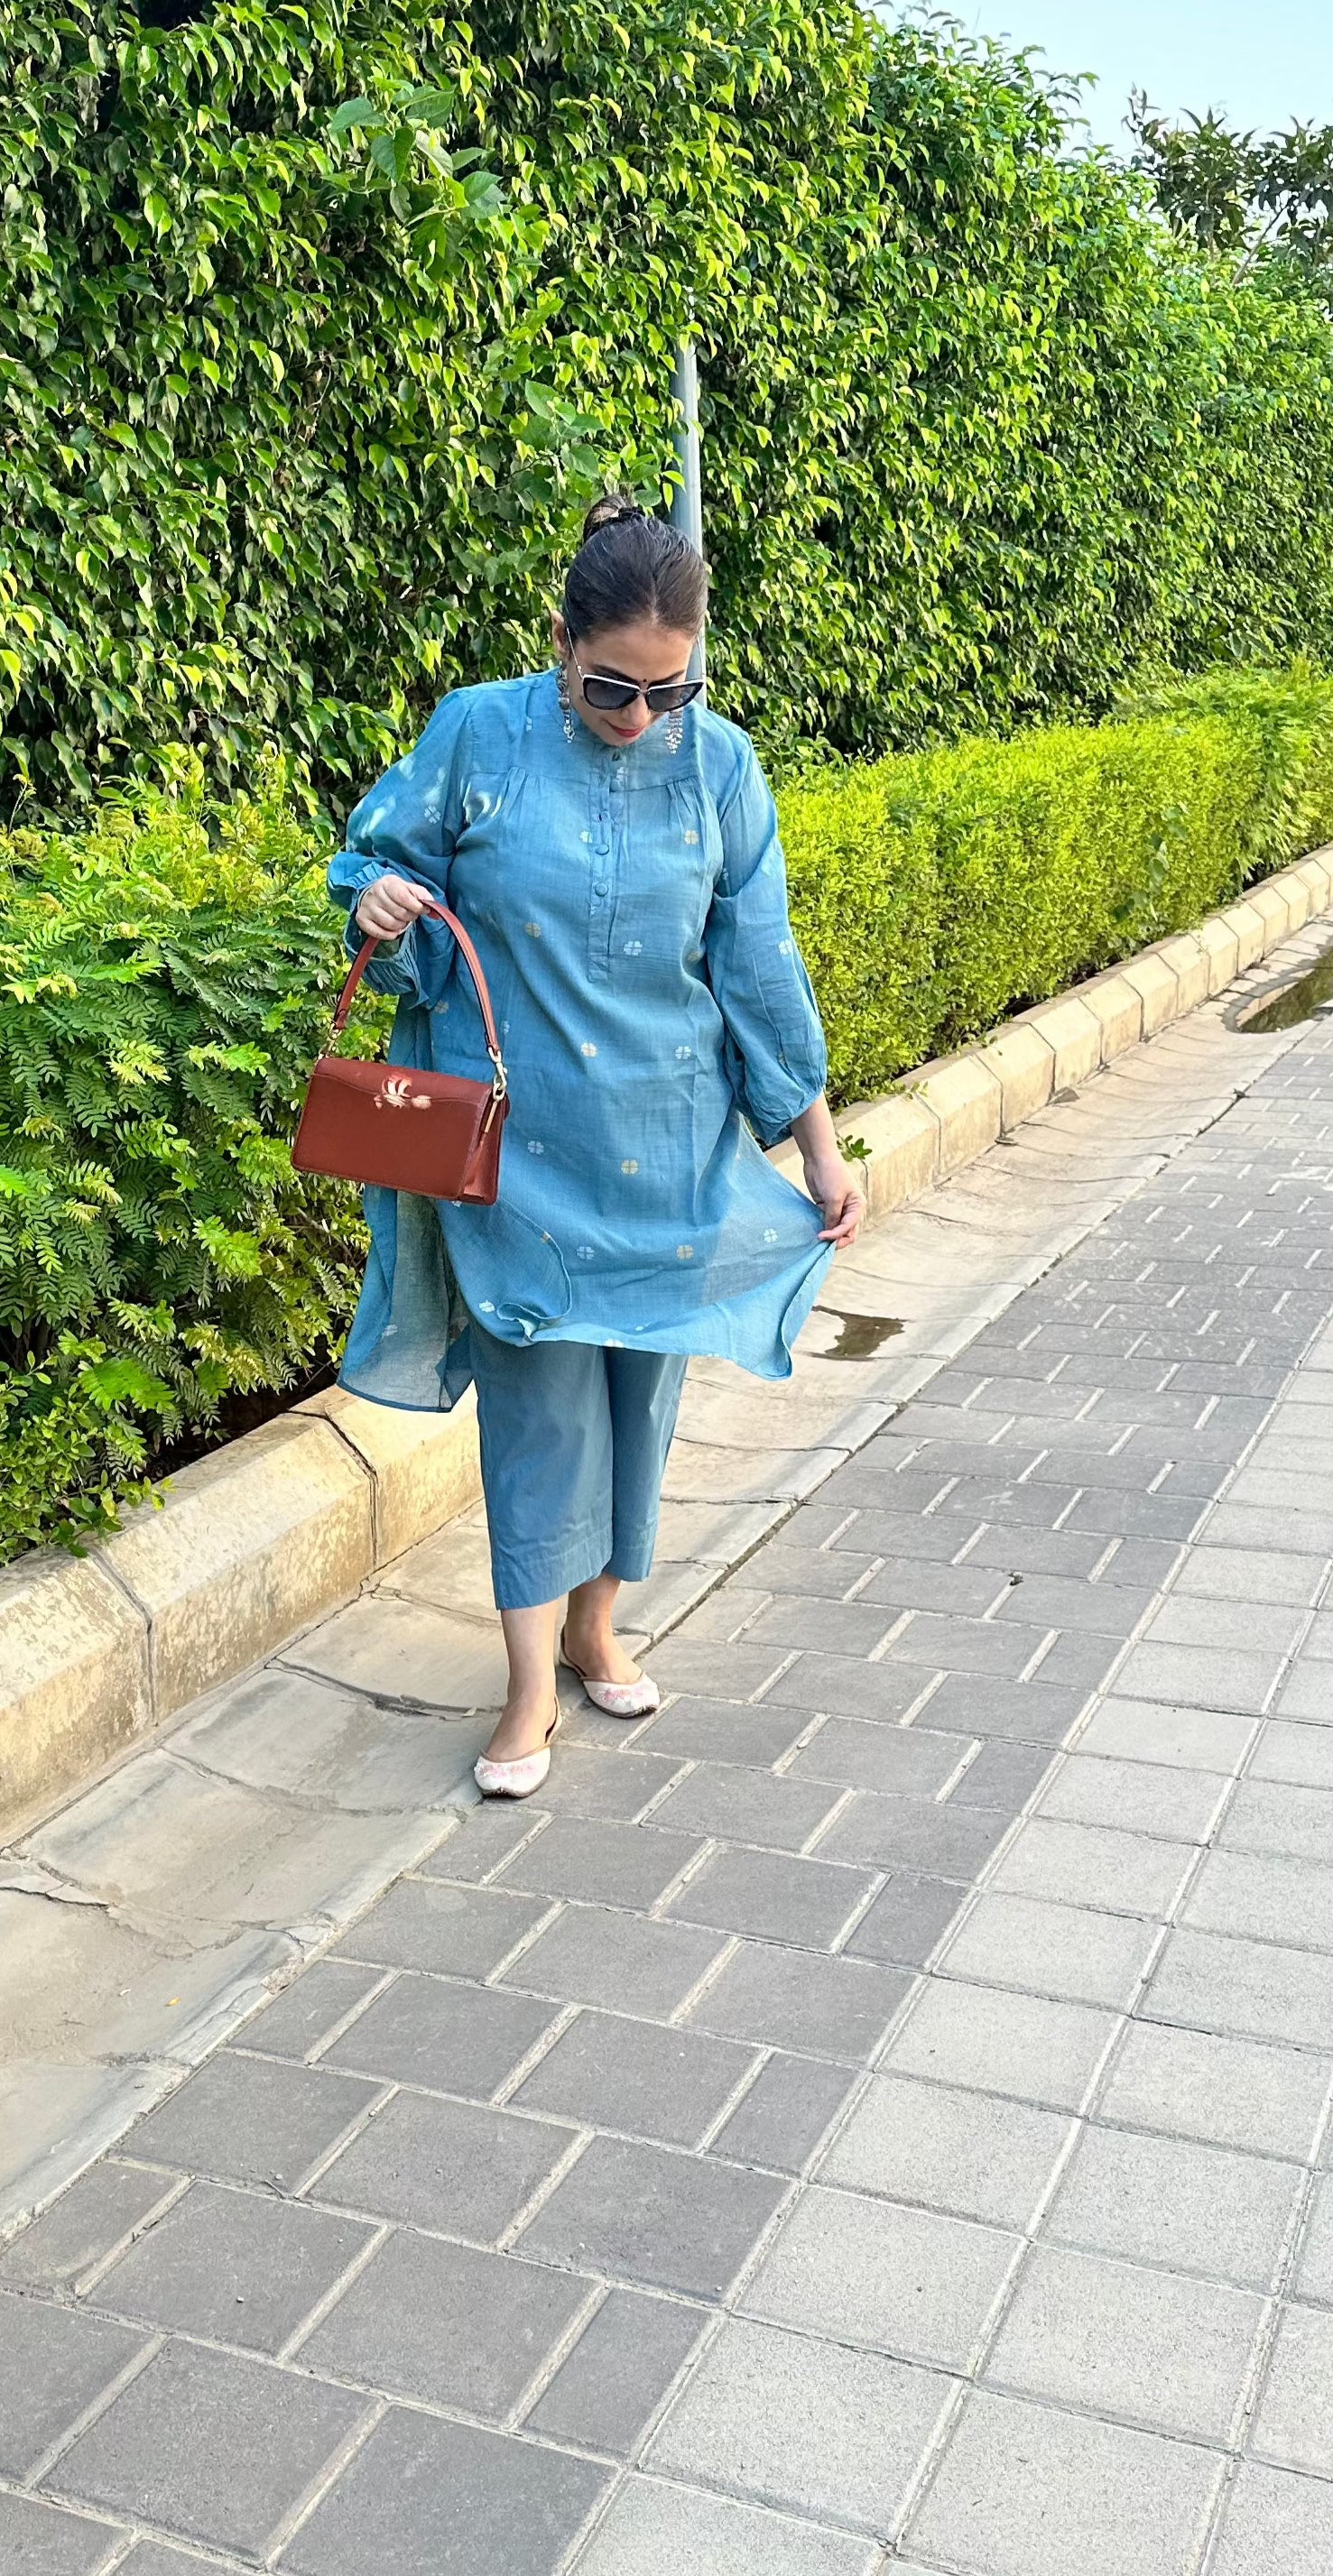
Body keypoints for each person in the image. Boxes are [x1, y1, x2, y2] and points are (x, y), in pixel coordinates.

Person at [328, 496, 866, 1800]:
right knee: (537, 1406)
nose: (641, 721)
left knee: (643, 1399)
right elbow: (370, 860)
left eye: (670, 694)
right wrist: (381, 895)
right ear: (559, 641)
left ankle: (597, 1623)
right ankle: (524, 1689)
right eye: (611, 690)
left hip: (669, 1142)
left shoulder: (719, 765)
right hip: (515, 1149)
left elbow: (758, 958)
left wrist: (818, 1144)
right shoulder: (478, 733)